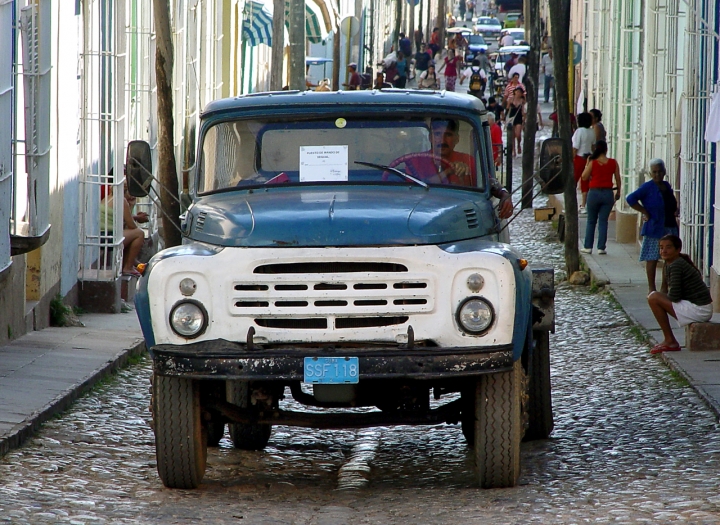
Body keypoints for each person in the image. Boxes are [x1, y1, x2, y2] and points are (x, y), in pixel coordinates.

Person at [389, 120, 514, 218]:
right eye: (437, 134)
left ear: (456, 139)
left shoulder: (468, 160)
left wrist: (504, 193)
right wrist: (448, 172)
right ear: (430, 138)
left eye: (448, 135)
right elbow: (413, 191)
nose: (442, 140)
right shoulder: (414, 161)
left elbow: (488, 181)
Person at [647, 234, 713, 354]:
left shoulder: (677, 265)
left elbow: (674, 296)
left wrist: (659, 299)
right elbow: (665, 291)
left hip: (700, 309)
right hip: (694, 305)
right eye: (661, 248)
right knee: (655, 297)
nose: (664, 251)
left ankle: (670, 340)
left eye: (668, 247)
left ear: (678, 250)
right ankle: (669, 339)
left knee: (653, 298)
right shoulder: (670, 264)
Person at [626, 159, 679, 292]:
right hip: (654, 228)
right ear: (650, 173)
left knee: (669, 259)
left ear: (664, 172)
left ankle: (664, 288)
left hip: (669, 226)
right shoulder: (647, 187)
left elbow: (671, 202)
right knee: (652, 258)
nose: (657, 175)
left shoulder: (666, 186)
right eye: (654, 172)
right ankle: (651, 288)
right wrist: (644, 211)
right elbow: (630, 198)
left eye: (660, 171)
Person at [580, 140, 621, 254]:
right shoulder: (613, 163)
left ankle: (588, 247)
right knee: (603, 221)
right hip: (607, 194)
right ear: (606, 149)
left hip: (594, 193)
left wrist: (587, 164)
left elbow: (584, 177)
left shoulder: (593, 163)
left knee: (591, 221)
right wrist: (618, 192)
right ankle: (601, 247)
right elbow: (618, 178)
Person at [100, 180, 145, 278]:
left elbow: (124, 224)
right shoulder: (121, 200)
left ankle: (133, 264)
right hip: (107, 237)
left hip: (102, 235)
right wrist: (132, 206)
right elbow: (131, 226)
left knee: (132, 235)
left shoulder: (109, 198)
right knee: (139, 234)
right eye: (132, 192)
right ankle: (128, 267)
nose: (134, 196)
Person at [572, 112, 596, 213]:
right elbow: (593, 147)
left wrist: (571, 158)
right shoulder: (592, 132)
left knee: (573, 181)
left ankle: (572, 204)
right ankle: (583, 205)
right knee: (585, 182)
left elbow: (575, 147)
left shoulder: (579, 131)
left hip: (579, 158)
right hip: (589, 158)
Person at [506, 87, 525, 155]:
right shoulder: (511, 99)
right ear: (515, 92)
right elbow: (507, 109)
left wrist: (524, 119)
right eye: (517, 92)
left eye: (520, 92)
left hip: (519, 118)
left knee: (518, 134)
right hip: (512, 118)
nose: (518, 93)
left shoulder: (522, 101)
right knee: (512, 135)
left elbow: (523, 111)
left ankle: (519, 145)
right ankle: (513, 149)